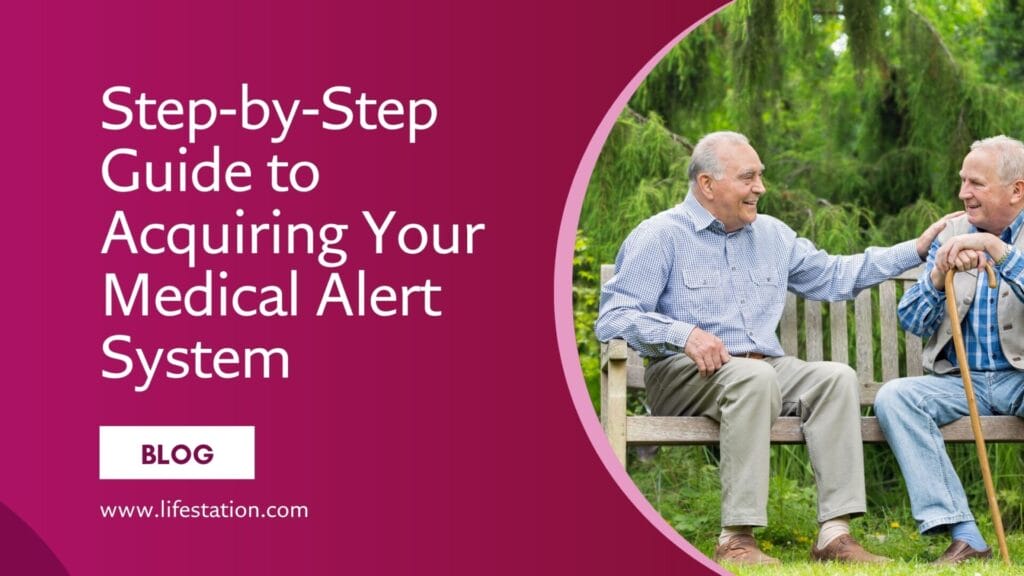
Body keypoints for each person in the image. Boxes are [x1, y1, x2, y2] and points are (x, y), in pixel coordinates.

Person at [594, 131, 958, 565]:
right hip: (681, 376)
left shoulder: (772, 236)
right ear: (708, 185)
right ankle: (736, 538)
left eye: (760, 176)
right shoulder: (660, 235)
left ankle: (834, 536)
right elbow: (613, 317)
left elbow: (836, 275)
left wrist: (915, 249)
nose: (760, 188)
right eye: (748, 177)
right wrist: (683, 334)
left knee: (835, 379)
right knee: (755, 376)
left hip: (760, 371)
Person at [874, 135, 1024, 564]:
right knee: (896, 398)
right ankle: (965, 535)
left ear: (1016, 190)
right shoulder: (953, 233)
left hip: (1020, 381)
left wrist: (1000, 252)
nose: (963, 193)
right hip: (960, 383)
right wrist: (938, 276)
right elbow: (912, 321)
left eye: (975, 183)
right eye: (962, 181)